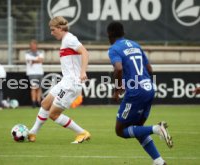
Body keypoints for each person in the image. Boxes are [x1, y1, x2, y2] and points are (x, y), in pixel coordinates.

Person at [107, 21, 173, 165]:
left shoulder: (114, 49)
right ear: (123, 33)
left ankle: (157, 128)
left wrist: (118, 89)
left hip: (136, 92)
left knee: (120, 131)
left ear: (109, 34)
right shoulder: (135, 45)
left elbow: (118, 69)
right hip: (149, 88)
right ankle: (159, 161)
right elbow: (149, 70)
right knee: (137, 129)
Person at [28, 16, 91, 144]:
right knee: (45, 103)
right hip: (65, 81)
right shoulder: (65, 40)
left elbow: (85, 52)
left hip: (71, 83)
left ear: (60, 28)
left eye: (53, 30)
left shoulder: (70, 39)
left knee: (53, 114)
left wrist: (83, 71)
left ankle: (82, 133)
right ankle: (32, 133)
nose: (51, 33)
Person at [25, 39, 44, 108]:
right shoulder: (27, 53)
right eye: (31, 45)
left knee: (39, 88)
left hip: (39, 72)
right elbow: (29, 61)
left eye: (34, 45)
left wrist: (34, 60)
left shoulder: (40, 52)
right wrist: (37, 60)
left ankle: (38, 101)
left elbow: (41, 60)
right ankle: (33, 102)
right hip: (32, 73)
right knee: (33, 87)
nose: (33, 46)